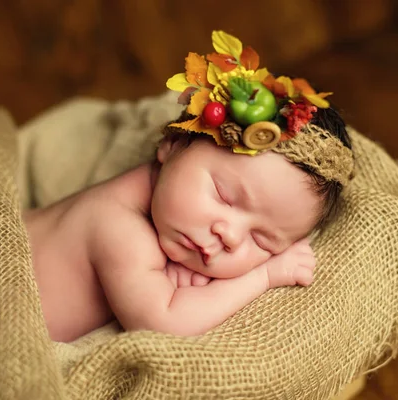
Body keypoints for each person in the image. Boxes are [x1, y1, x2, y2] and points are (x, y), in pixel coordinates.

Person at [23, 31, 354, 343]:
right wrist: (264, 276)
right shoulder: (117, 225)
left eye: (261, 240)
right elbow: (164, 322)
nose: (231, 236)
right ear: (174, 143)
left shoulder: (170, 213)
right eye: (223, 196)